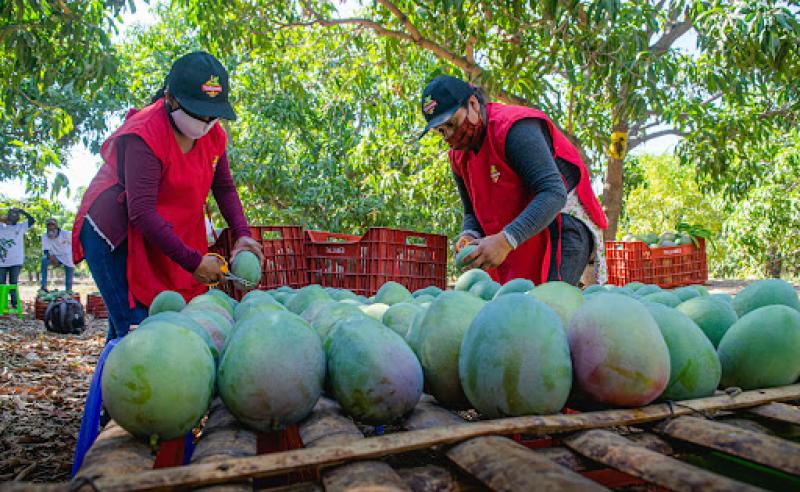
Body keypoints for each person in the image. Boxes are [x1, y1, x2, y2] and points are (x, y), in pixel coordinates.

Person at [72, 51, 263, 341]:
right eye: (198, 113)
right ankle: (113, 382)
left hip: (159, 229)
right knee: (137, 329)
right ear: (171, 99)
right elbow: (143, 212)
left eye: (213, 115)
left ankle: (111, 379)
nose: (206, 122)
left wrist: (243, 233)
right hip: (115, 234)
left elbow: (223, 187)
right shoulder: (146, 134)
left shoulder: (213, 135)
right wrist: (194, 262)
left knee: (154, 327)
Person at [418, 75, 608, 286]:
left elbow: (553, 193)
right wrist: (468, 235)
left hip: (561, 225)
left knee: (550, 307)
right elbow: (471, 212)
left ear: (473, 104)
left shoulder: (514, 129)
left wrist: (506, 240)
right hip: (521, 236)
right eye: (442, 131)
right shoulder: (458, 158)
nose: (450, 136)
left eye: (452, 123)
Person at [0, 207, 35, 309]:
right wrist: (4, 218)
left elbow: (32, 220)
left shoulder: (20, 227)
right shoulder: (1, 227)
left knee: (13, 283)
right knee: (1, 283)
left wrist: (22, 211)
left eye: (15, 216)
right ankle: (3, 303)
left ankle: (14, 304)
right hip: (1, 262)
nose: (13, 217)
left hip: (16, 261)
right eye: (11, 215)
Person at [40, 218, 74, 292]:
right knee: (43, 260)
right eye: (48, 225)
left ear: (56, 226)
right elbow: (46, 250)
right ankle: (43, 286)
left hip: (67, 256)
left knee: (70, 268)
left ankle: (68, 290)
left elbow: (75, 241)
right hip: (54, 256)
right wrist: (51, 258)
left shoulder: (66, 234)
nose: (50, 227)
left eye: (52, 225)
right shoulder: (45, 236)